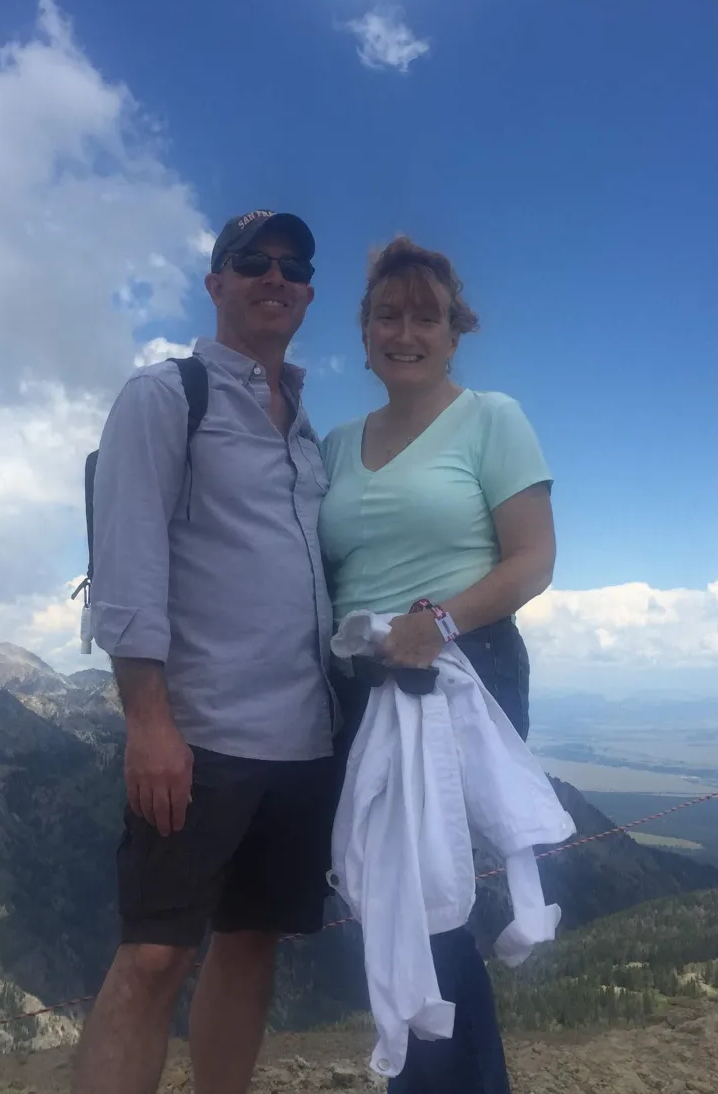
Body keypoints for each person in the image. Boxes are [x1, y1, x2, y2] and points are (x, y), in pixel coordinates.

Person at [70, 211, 340, 1094]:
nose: (274, 276)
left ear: (307, 291)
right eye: (250, 262)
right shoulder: (166, 395)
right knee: (152, 958)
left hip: (302, 741)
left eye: (292, 266)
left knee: (252, 940)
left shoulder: (304, 429)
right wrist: (148, 722)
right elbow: (127, 562)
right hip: (201, 736)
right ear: (216, 283)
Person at [318, 235, 556, 1094]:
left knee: (431, 908)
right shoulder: (340, 444)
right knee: (387, 906)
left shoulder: (492, 417)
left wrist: (439, 623)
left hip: (459, 679)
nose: (406, 331)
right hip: (359, 690)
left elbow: (532, 559)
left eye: (427, 316)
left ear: (456, 331)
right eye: (389, 315)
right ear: (366, 331)